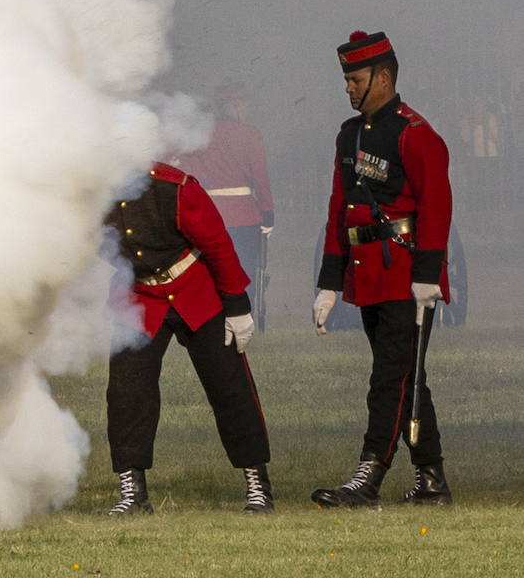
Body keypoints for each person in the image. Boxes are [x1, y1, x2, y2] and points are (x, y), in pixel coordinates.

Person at [311, 31, 453, 507]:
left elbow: (436, 206)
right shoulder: (348, 135)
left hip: (407, 274)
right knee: (408, 377)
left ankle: (368, 475)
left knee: (389, 378)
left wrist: (428, 276)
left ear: (384, 76)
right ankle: (431, 480)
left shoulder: (416, 134)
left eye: (355, 79)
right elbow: (339, 209)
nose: (348, 88)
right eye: (346, 79)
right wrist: (329, 284)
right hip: (367, 272)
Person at [103, 162, 274, 515]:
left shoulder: (175, 187)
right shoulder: (95, 193)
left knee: (229, 386)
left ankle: (257, 482)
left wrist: (237, 305)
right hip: (139, 297)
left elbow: (217, 245)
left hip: (197, 291)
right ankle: (133, 491)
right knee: (126, 391)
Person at [177, 82, 275, 326]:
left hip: (210, 214)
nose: (248, 109)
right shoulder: (250, 134)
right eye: (244, 104)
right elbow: (260, 177)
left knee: (211, 272)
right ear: (234, 106)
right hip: (244, 216)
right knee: (245, 272)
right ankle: (244, 317)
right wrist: (268, 214)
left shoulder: (201, 136)